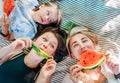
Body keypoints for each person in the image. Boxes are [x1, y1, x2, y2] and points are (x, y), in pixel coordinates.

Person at [0, 26, 68, 83]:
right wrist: (10, 48)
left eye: (52, 46)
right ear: (35, 40)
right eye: (44, 39)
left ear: (52, 55)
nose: (45, 45)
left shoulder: (43, 73)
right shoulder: (17, 52)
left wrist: (44, 76)